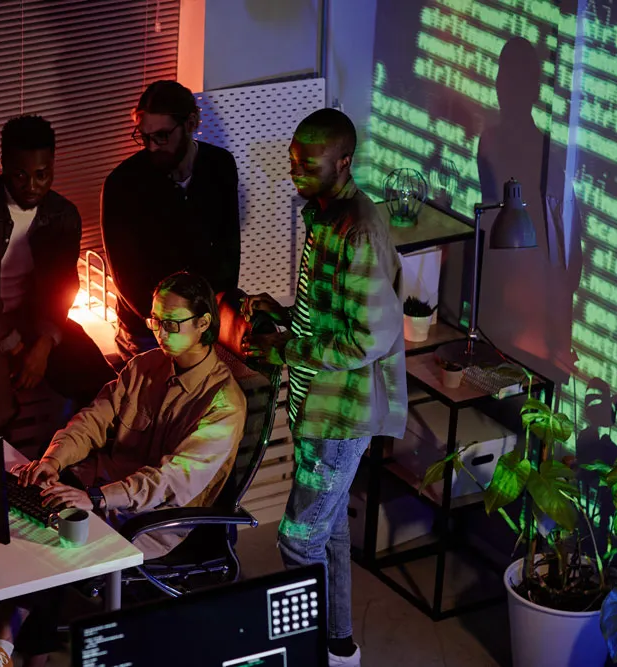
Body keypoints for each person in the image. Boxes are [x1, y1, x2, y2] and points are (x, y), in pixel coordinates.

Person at [0, 272, 247, 667]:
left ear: (204, 323)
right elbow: (93, 420)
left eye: (172, 323)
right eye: (155, 321)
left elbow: (169, 480)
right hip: (99, 489)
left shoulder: (224, 403)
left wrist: (96, 497)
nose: (160, 332)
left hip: (153, 518)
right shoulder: (146, 366)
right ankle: (13, 649)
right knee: (31, 506)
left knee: (59, 541)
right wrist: (54, 461)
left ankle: (13, 650)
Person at [242, 109, 407, 667]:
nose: (296, 174)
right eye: (292, 162)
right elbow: (329, 317)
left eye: (308, 166)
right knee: (330, 529)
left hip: (341, 415)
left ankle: (308, 653)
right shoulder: (326, 216)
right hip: (318, 407)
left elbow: (371, 336)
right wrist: (286, 316)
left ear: (344, 162)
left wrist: (286, 349)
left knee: (297, 539)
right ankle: (338, 647)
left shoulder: (357, 228)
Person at [0, 115, 115, 436]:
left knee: (106, 388)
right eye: (20, 175)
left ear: (53, 165)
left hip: (33, 321)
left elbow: (64, 286)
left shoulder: (62, 215)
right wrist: (15, 346)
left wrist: (43, 343)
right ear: (4, 165)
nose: (32, 186)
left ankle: (74, 472)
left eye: (42, 175)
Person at [102, 80, 241, 362]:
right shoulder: (122, 184)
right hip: (149, 325)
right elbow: (126, 276)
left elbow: (228, 247)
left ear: (191, 123)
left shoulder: (220, 165)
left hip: (200, 317)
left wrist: (213, 313)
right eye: (144, 137)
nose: (152, 146)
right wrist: (167, 325)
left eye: (162, 136)